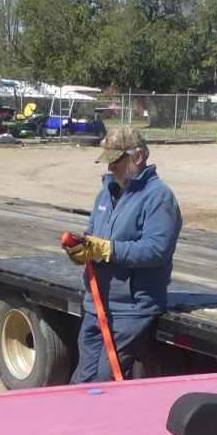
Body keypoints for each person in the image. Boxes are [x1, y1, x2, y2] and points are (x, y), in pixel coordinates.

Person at [65, 127, 182, 383]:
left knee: (105, 381)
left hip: (130, 308)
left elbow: (157, 250)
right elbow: (93, 235)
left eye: (115, 161)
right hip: (97, 304)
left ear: (137, 157)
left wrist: (108, 249)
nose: (110, 168)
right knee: (82, 380)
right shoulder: (106, 194)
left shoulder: (158, 197)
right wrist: (82, 251)